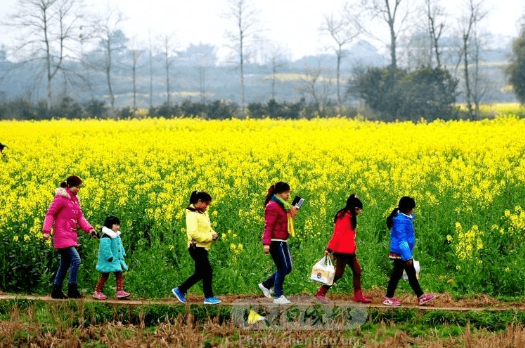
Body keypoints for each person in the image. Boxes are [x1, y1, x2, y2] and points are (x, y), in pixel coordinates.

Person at [42, 175, 96, 299]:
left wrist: (90, 229)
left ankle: (56, 290)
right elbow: (50, 213)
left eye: (79, 187)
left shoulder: (75, 200)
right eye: (76, 187)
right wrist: (46, 230)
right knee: (76, 260)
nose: (78, 189)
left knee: (65, 264)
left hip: (70, 236)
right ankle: (72, 289)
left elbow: (80, 217)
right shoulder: (61, 198)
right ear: (69, 186)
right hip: (62, 235)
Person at [315, 194, 371, 304]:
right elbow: (337, 234)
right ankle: (320, 293)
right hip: (342, 251)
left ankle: (358, 296)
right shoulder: (344, 217)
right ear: (355, 208)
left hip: (349, 251)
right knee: (338, 274)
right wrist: (329, 249)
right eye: (359, 210)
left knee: (357, 271)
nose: (360, 212)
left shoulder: (350, 216)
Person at [383, 196, 435, 306]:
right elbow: (402, 240)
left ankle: (420, 296)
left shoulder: (403, 217)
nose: (413, 210)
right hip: (400, 253)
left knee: (404, 274)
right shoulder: (401, 221)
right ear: (408, 209)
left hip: (400, 252)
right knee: (403, 275)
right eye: (412, 208)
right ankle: (389, 297)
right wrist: (407, 257)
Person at [172, 190, 221, 305]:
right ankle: (208, 297)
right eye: (206, 204)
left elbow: (206, 228)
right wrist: (210, 237)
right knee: (207, 271)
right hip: (196, 247)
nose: (207, 207)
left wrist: (213, 233)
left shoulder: (202, 213)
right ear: (199, 201)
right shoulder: (191, 215)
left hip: (202, 247)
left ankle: (180, 290)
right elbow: (193, 233)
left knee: (200, 273)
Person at [258, 182, 298, 305]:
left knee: (288, 268)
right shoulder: (272, 206)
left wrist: (292, 213)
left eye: (289, 193)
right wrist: (266, 244)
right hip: (275, 241)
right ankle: (278, 296)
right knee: (282, 267)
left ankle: (266, 285)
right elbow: (268, 226)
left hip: (283, 240)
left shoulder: (283, 205)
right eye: (286, 193)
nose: (288, 195)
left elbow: (284, 221)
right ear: (278, 193)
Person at [93, 215, 130, 300]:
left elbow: (120, 246)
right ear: (110, 225)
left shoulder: (116, 235)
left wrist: (123, 253)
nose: (118, 227)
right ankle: (97, 291)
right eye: (115, 224)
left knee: (119, 274)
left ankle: (120, 291)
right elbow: (105, 248)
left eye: (118, 224)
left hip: (116, 260)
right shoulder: (106, 236)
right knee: (104, 275)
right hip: (109, 260)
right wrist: (109, 256)